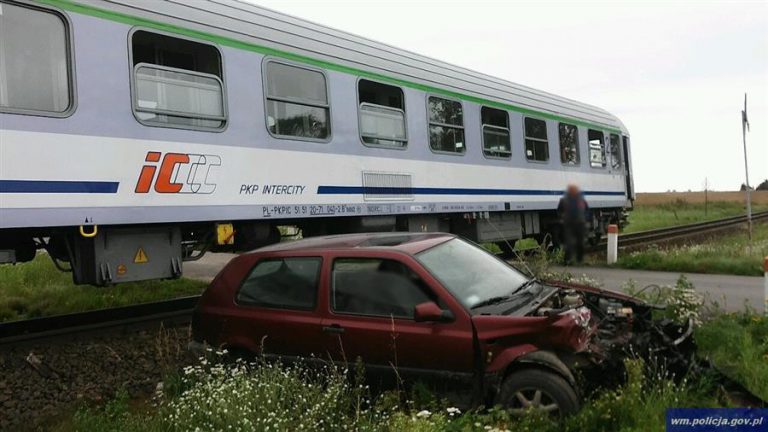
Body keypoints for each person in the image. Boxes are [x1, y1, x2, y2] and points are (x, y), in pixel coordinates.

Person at [557, 184, 590, 265]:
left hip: (579, 224)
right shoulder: (564, 200)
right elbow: (559, 211)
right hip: (570, 224)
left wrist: (585, 218)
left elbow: (587, 210)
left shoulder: (581, 200)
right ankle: (568, 260)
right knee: (569, 243)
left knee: (580, 243)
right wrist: (562, 217)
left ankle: (579, 259)